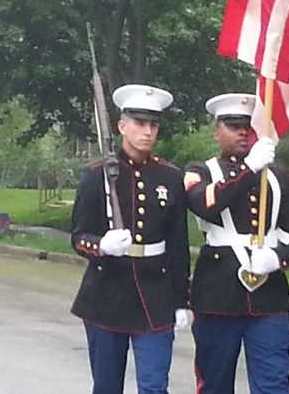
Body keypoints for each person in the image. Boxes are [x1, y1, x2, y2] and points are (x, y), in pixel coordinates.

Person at [70, 84, 189, 394]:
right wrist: (101, 246)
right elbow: (79, 236)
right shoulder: (96, 175)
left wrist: (181, 301)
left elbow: (178, 245)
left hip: (156, 293)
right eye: (139, 123)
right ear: (122, 126)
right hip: (107, 293)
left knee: (154, 385)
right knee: (107, 386)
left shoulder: (170, 177)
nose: (147, 131)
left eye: (153, 124)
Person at [184, 93, 289, 394]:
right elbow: (206, 204)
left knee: (275, 383)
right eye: (233, 125)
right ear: (217, 131)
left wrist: (279, 259)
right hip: (218, 294)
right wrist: (249, 169)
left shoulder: (277, 177)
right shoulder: (200, 171)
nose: (242, 132)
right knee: (215, 382)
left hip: (269, 295)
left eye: (248, 126)